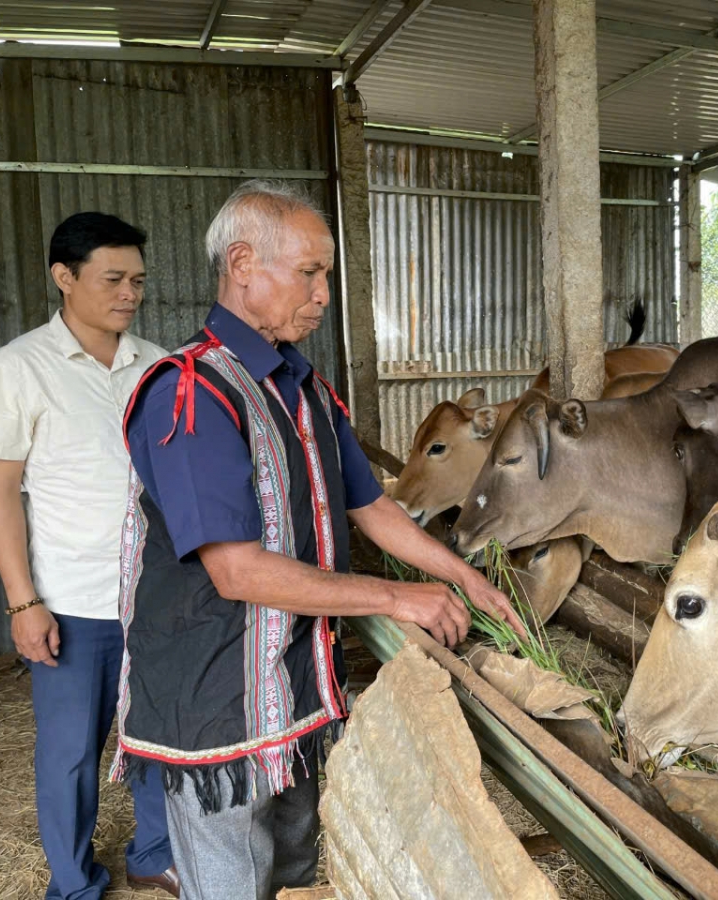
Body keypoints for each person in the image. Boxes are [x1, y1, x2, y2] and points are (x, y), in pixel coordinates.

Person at [112, 180, 525, 899]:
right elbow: (237, 571)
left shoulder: (306, 391)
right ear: (243, 265)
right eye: (309, 272)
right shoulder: (192, 392)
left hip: (297, 684)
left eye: (325, 274)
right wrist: (397, 597)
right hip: (216, 699)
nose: (324, 294)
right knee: (233, 882)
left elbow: (374, 506)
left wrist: (463, 576)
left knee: (294, 872)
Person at [0, 213, 178, 899]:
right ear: (64, 277)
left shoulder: (159, 366)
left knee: (156, 733)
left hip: (155, 595)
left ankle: (154, 853)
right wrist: (23, 602)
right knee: (69, 754)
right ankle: (73, 883)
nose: (129, 294)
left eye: (138, 281)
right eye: (113, 279)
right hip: (71, 601)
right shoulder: (15, 369)